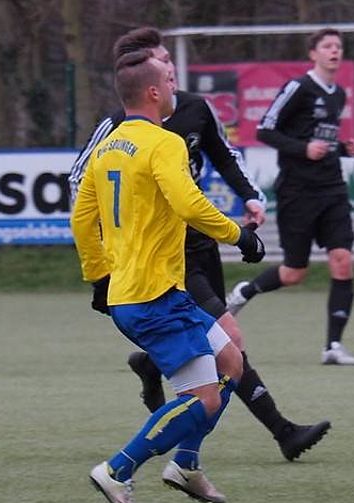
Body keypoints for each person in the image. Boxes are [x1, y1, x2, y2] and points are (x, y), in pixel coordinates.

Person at [69, 27, 330, 462]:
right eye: (162, 61)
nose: (170, 68)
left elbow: (224, 155)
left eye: (169, 60)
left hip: (200, 243)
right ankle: (280, 431)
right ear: (146, 78)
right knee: (228, 338)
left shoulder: (195, 108)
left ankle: (163, 389)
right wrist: (105, 260)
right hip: (162, 253)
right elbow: (80, 182)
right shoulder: (117, 128)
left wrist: (250, 196)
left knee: (212, 344)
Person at [72, 49, 265, 503]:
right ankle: (117, 469)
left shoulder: (106, 147)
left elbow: (81, 219)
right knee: (203, 399)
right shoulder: (165, 143)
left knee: (231, 362)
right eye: (171, 81)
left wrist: (99, 275)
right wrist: (239, 236)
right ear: (154, 92)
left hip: (146, 291)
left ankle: (186, 464)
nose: (177, 88)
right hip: (155, 296)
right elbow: (189, 204)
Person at [225, 28, 354, 365]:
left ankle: (333, 347)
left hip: (333, 188)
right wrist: (303, 149)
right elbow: (264, 130)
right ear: (313, 53)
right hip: (297, 192)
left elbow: (322, 140)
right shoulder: (297, 88)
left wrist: (342, 149)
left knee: (343, 260)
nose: (334, 51)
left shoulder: (339, 94)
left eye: (338, 46)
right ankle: (245, 291)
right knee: (294, 272)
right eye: (327, 46)